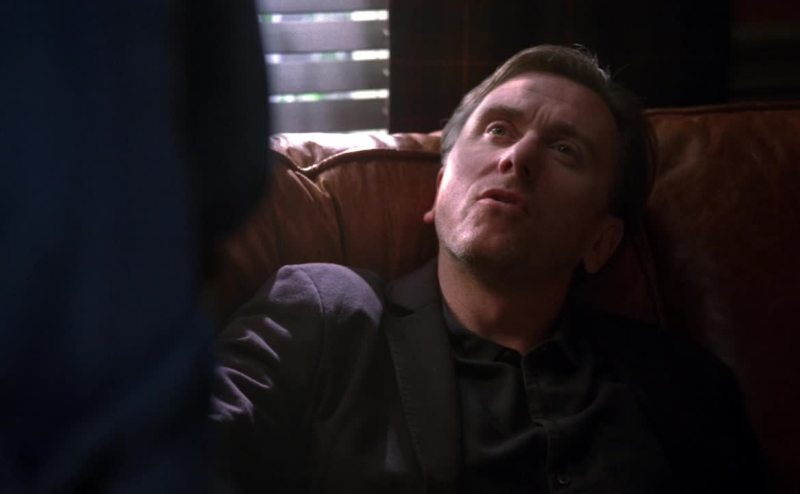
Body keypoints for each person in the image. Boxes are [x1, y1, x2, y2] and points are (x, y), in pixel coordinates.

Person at [211, 45, 767, 493]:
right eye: (499, 129)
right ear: (439, 190)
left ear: (600, 241)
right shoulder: (326, 312)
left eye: (566, 150)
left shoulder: (682, 385)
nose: (517, 157)